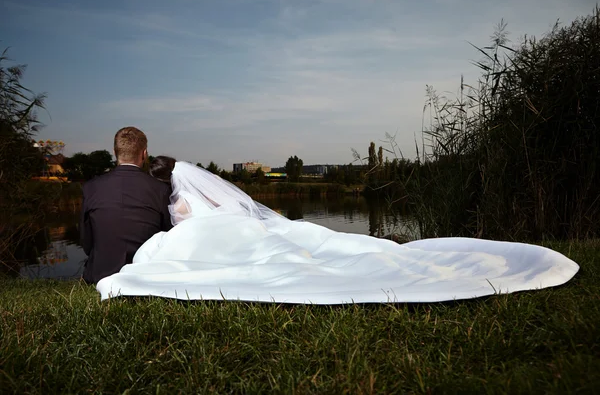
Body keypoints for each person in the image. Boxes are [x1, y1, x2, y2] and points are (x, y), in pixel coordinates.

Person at [95, 158, 580, 304]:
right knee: (309, 246)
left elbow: (195, 227)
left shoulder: (172, 201)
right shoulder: (206, 194)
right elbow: (239, 212)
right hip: (242, 229)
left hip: (222, 237)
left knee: (166, 255)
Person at [80, 127, 173, 284]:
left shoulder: (90, 187)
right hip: (146, 275)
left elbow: (86, 242)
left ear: (115, 152)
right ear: (144, 153)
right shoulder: (161, 189)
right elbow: (168, 237)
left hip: (100, 275)